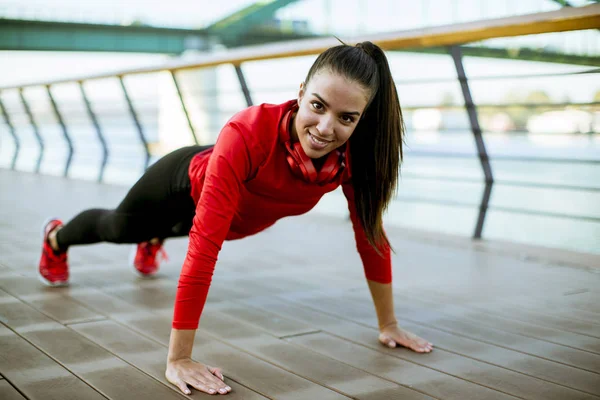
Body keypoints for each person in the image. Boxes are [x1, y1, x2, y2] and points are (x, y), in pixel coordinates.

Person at [38, 41, 434, 396]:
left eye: (346, 118)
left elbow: (370, 234)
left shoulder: (352, 162)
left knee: (199, 228)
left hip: (230, 220)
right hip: (182, 184)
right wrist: (179, 358)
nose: (326, 128)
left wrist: (389, 324)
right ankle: (56, 238)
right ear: (300, 94)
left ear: (361, 119)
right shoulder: (247, 133)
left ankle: (156, 238)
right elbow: (204, 249)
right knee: (119, 228)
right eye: (317, 106)